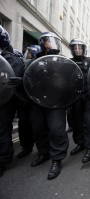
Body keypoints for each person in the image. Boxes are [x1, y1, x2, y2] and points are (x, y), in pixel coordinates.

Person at [29, 32, 68, 180]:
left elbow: (68, 79)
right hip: (38, 100)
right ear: (43, 44)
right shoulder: (36, 60)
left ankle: (56, 159)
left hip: (56, 101)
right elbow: (29, 77)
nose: (51, 44)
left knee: (57, 130)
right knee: (38, 128)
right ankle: (43, 153)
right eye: (48, 41)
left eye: (53, 41)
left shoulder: (62, 61)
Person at [68, 38, 90, 163]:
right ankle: (80, 143)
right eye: (75, 48)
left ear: (83, 49)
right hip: (75, 98)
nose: (77, 50)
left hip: (89, 97)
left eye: (79, 47)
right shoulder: (69, 63)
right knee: (77, 122)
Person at [0, 25, 24, 177]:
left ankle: (2, 160)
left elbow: (12, 78)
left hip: (3, 100)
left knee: (2, 130)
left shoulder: (11, 58)